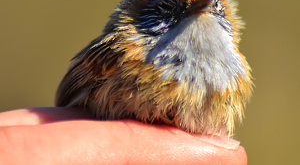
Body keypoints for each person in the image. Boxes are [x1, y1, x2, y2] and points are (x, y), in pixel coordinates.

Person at [0, 107, 247, 164]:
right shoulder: (125, 48)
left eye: (215, 7)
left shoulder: (236, 71)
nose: (200, 13)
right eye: (166, 9)